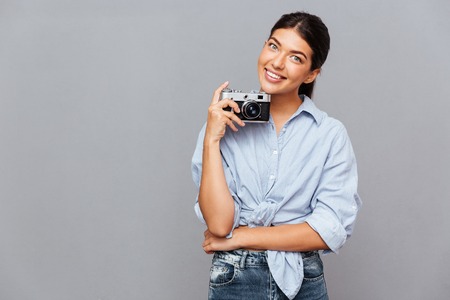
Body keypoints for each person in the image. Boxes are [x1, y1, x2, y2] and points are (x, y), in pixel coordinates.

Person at [191, 11, 361, 300]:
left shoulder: (329, 134)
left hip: (303, 280)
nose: (277, 63)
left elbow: (328, 230)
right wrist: (211, 139)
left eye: (296, 57)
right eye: (273, 46)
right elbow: (219, 225)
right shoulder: (223, 125)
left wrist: (243, 237)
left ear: (311, 73)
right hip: (234, 277)